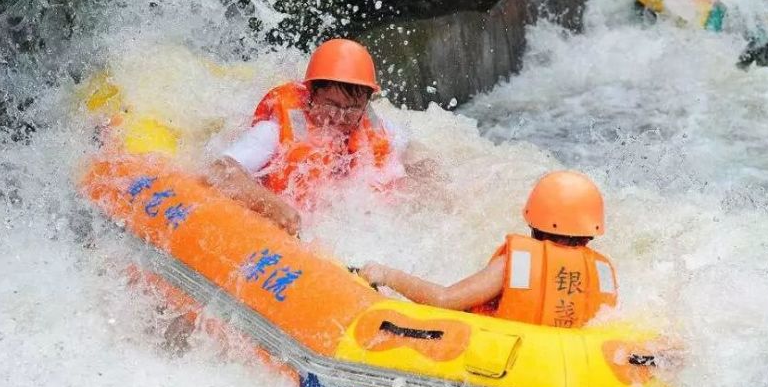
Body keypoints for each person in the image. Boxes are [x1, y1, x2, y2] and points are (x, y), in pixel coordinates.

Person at [207, 38, 421, 236]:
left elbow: (413, 152)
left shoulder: (373, 129)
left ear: (365, 104)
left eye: (352, 108)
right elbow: (219, 170)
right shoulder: (274, 131)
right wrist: (271, 205)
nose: (339, 117)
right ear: (311, 96)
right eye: (331, 105)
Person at [361, 170, 618, 328]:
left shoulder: (515, 265)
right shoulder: (602, 272)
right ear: (591, 232)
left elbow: (444, 300)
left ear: (533, 220)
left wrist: (387, 276)